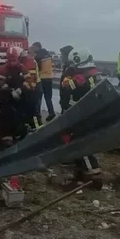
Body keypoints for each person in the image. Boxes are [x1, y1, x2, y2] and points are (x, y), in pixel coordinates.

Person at [59, 47, 103, 185]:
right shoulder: (93, 73)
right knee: (75, 145)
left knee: (80, 146)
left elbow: (67, 87)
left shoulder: (84, 76)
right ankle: (80, 174)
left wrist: (67, 78)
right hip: (83, 115)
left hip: (82, 117)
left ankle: (93, 176)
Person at [31, 42, 56, 121]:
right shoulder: (48, 55)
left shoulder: (38, 57)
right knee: (48, 98)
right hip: (49, 78)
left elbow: (37, 69)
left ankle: (38, 115)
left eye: (33, 47)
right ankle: (51, 113)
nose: (33, 48)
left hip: (42, 79)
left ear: (37, 47)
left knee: (38, 98)